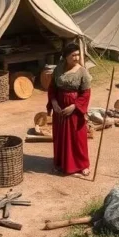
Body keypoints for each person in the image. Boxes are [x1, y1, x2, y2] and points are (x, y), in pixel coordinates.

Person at [47, 42, 92, 176]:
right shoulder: (58, 69)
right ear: (66, 56)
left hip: (74, 110)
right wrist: (54, 102)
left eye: (78, 55)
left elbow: (86, 93)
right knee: (61, 136)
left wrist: (74, 106)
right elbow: (52, 88)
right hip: (59, 109)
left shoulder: (82, 72)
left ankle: (82, 165)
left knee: (77, 138)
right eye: (73, 55)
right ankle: (61, 163)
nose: (76, 58)